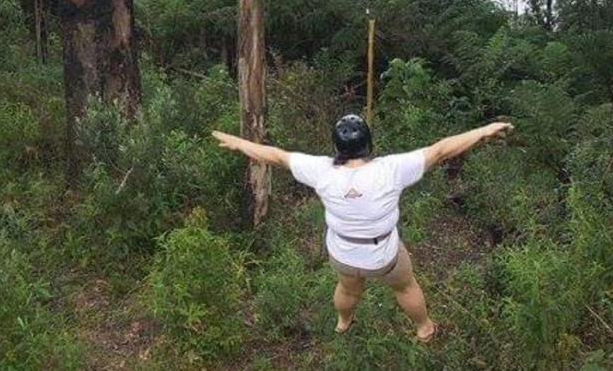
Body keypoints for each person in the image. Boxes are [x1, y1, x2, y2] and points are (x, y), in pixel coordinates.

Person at [212, 114, 513, 342]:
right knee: (405, 285)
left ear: (336, 146)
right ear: (368, 143)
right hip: (383, 256)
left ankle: (344, 321)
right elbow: (440, 151)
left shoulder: (320, 171)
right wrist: (483, 131)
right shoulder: (390, 169)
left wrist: (240, 144)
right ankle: (424, 329)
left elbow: (275, 156)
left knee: (347, 287)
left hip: (343, 255)